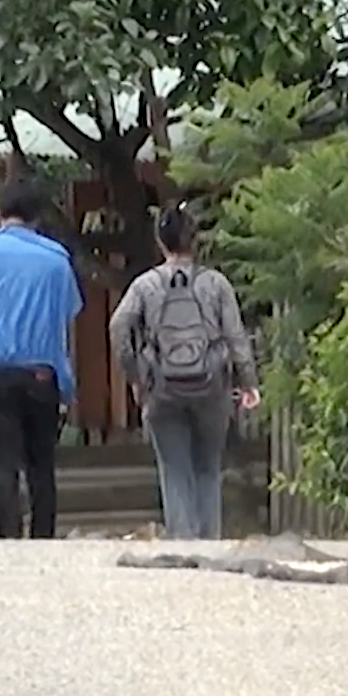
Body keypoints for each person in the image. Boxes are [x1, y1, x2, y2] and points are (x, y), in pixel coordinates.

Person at [107, 202, 261, 541]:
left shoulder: (145, 285)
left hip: (161, 389)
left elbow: (118, 326)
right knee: (208, 467)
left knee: (173, 468)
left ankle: (183, 542)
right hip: (212, 388)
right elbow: (236, 337)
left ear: (160, 242)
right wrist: (248, 382)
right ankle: (210, 543)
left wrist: (135, 374)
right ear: (194, 240)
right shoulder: (216, 284)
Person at [0, 180, 84, 539]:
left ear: (1, 213)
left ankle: (8, 539)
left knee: (4, 460)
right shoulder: (57, 260)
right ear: (37, 217)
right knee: (41, 462)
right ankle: (43, 538)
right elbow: (70, 310)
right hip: (41, 372)